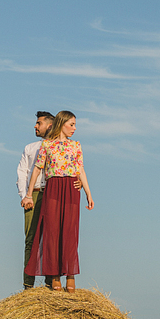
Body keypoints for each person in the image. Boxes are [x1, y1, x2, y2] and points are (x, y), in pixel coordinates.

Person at [22, 110, 94, 293]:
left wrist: (88, 193)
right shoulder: (47, 145)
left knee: (70, 233)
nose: (74, 129)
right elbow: (37, 170)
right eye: (71, 124)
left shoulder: (76, 146)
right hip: (53, 188)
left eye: (75, 125)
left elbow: (81, 170)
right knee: (52, 232)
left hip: (71, 189)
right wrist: (28, 194)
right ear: (61, 124)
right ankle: (55, 277)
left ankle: (70, 275)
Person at [16, 111, 54, 289]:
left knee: (52, 239)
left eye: (39, 123)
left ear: (50, 125)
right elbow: (22, 172)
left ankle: (50, 284)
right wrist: (24, 195)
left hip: (53, 194)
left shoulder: (60, 147)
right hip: (34, 194)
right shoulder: (30, 148)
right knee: (30, 239)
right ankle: (28, 286)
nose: (35, 126)